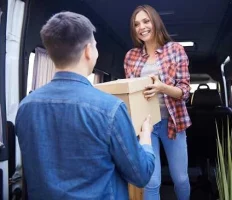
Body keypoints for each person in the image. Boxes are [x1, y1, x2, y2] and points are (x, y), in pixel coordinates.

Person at [16, 11, 155, 200]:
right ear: (89, 51)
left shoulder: (25, 107)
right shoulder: (111, 109)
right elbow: (141, 175)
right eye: (96, 45)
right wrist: (145, 136)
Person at [124, 5, 191, 200]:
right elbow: (131, 91)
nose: (141, 27)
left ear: (155, 22)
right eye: (136, 24)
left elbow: (185, 92)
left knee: (180, 178)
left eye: (146, 21)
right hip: (146, 126)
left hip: (173, 123)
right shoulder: (131, 56)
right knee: (151, 182)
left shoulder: (175, 50)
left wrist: (162, 87)